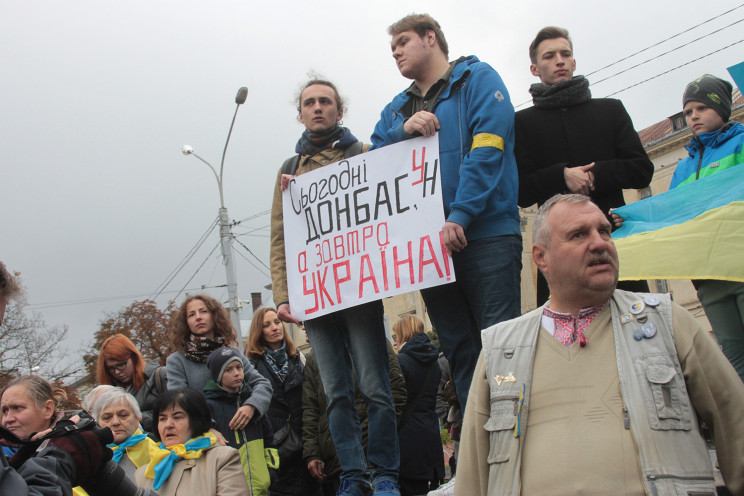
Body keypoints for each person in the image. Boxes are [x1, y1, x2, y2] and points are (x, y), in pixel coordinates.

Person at [455, 194, 744, 496]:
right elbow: (472, 477)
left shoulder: (667, 323)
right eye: (578, 234)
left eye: (604, 231)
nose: (599, 243)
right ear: (541, 257)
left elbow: (735, 422)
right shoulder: (501, 348)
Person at [371, 13, 522, 411]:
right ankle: (482, 449)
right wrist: (400, 132)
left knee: (503, 347)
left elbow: (487, 148)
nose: (396, 52)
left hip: (485, 234)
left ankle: (517, 435)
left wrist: (461, 214)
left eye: (402, 42)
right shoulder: (395, 111)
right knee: (460, 352)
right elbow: (372, 165)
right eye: (392, 48)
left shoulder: (478, 80)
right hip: (431, 251)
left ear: (430, 37)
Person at [271, 77, 400, 496]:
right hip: (317, 298)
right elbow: (280, 239)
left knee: (375, 386)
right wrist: (283, 296)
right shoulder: (289, 172)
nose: (318, 107)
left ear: (339, 110)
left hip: (360, 293)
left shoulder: (364, 154)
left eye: (326, 101)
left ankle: (384, 473)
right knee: (336, 392)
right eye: (310, 102)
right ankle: (352, 473)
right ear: (301, 113)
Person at [514, 26, 654, 306]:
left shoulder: (610, 110)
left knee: (637, 323)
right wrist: (561, 176)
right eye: (550, 56)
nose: (560, 60)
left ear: (574, 62)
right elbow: (521, 191)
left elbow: (641, 170)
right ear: (534, 68)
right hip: (558, 249)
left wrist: (595, 174)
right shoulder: (522, 123)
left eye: (565, 54)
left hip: (614, 239)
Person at [667, 74, 744, 382]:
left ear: (722, 109)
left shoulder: (741, 143)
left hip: (739, 265)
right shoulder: (683, 167)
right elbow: (670, 214)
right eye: (688, 111)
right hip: (708, 277)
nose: (693, 116)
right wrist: (628, 219)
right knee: (733, 357)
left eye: (701, 108)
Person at [302, 341, 407, 496]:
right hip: (336, 458)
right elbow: (310, 408)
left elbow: (395, 390)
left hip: (373, 453)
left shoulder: (372, 339)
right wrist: (312, 453)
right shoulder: (314, 357)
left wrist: (378, 434)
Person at [166, 294, 272, 425]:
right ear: (186, 322)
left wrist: (251, 406)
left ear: (214, 316)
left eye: (203, 311)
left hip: (241, 431)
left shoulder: (232, 353)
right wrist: (207, 428)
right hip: (203, 437)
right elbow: (179, 402)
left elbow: (262, 384)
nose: (198, 317)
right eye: (191, 315)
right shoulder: (177, 361)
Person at [245, 308, 318, 496]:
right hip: (276, 448)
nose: (274, 328)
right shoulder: (251, 366)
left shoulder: (297, 358)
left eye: (277, 322)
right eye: (266, 325)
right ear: (258, 331)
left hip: (304, 444)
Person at [134, 388, 249, 495]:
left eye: (177, 417)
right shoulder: (143, 474)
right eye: (162, 419)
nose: (168, 425)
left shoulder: (221, 459)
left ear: (196, 421)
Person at [204, 347, 279, 496]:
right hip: (231, 489)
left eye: (239, 367)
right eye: (228, 370)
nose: (237, 373)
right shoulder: (209, 406)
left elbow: (269, 439)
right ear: (218, 376)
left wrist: (270, 471)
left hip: (261, 486)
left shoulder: (253, 402)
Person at [392, 316, 444, 496]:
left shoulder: (401, 362)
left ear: (403, 334)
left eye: (395, 336)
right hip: (430, 434)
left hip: (407, 439)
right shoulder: (434, 361)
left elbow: (396, 402)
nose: (394, 341)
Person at [96, 334, 164, 433]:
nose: (117, 372)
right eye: (111, 368)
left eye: (121, 365)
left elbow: (178, 414)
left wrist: (135, 419)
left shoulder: (159, 377)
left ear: (134, 358)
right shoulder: (109, 392)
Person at [91, 388, 155, 480]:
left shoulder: (157, 448)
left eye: (123, 415)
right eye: (107, 418)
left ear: (138, 418)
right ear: (97, 423)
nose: (115, 422)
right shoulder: (91, 461)